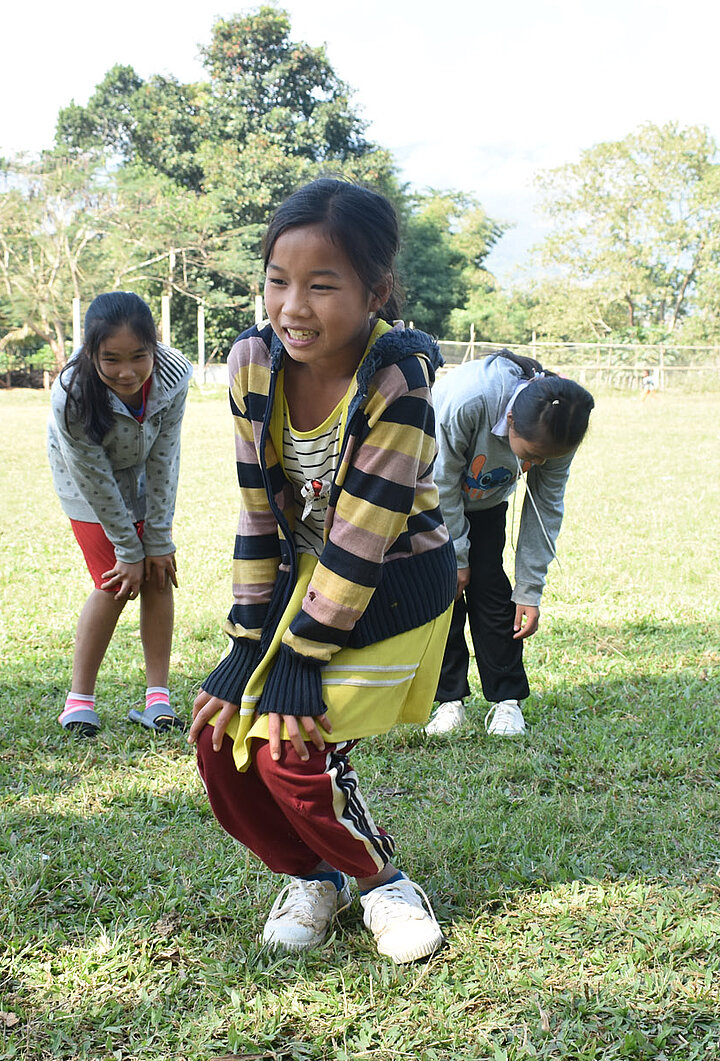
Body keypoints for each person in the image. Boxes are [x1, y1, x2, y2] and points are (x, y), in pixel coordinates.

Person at [189, 178, 456, 964]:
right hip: (304, 580)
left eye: (322, 285)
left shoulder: (396, 381)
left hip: (396, 583)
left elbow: (365, 537)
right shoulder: (249, 363)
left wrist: (299, 658)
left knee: (284, 739)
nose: (293, 306)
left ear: (375, 292)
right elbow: (255, 513)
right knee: (217, 734)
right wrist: (247, 644)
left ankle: (381, 881)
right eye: (278, 280)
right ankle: (313, 874)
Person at [425, 352, 594, 738]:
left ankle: (507, 702)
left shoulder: (559, 432)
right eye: (530, 455)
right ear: (511, 420)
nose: (534, 466)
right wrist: (455, 557)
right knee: (442, 595)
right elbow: (441, 481)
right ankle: (449, 700)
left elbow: (545, 509)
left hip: (485, 505)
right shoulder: (471, 400)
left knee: (494, 594)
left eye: (545, 459)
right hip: (432, 502)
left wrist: (529, 591)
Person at [48, 291, 193, 737]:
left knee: (157, 573)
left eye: (139, 356)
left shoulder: (174, 377)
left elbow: (164, 458)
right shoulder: (71, 395)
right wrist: (127, 549)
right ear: (91, 353)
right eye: (111, 359)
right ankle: (79, 701)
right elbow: (95, 480)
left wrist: (158, 539)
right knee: (114, 581)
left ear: (156, 347)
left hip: (144, 476)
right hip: (85, 487)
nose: (127, 371)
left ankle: (157, 698)